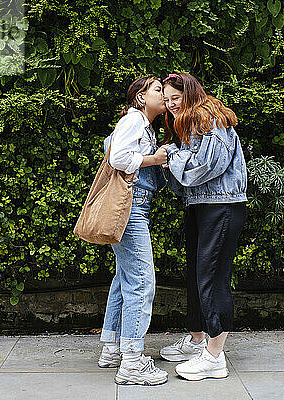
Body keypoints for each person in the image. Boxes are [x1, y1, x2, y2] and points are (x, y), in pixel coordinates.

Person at [159, 72, 248, 381]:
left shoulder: (207, 115)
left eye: (175, 98)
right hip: (202, 206)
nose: (170, 105)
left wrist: (171, 156)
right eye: (167, 99)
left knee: (213, 277)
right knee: (198, 275)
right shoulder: (189, 120)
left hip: (221, 206)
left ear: (191, 94)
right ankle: (199, 341)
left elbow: (207, 166)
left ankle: (214, 357)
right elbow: (188, 175)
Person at [97, 76, 170, 386]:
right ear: (141, 97)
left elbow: (110, 145)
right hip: (131, 207)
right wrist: (153, 158)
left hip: (134, 206)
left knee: (125, 278)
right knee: (142, 281)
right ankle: (132, 362)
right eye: (157, 90)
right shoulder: (135, 119)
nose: (164, 95)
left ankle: (113, 347)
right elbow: (118, 157)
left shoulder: (142, 125)